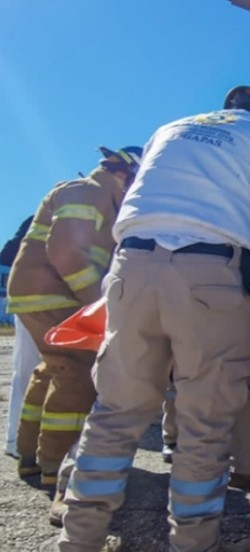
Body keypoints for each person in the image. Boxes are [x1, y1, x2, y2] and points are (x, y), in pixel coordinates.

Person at [51, 86, 250, 552]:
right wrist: (246, 289)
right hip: (211, 271)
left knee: (114, 415)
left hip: (130, 268)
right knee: (205, 425)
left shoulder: (171, 128)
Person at [6, 149, 142, 483]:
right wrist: (99, 303)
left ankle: (30, 456)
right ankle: (55, 465)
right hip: (51, 293)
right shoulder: (86, 192)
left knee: (51, 368)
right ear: (125, 174)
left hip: (43, 293)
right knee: (76, 372)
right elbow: (67, 252)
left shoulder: (99, 198)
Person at [1, 216, 38, 458]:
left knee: (26, 371)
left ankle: (18, 440)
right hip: (38, 297)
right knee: (29, 370)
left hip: (29, 296)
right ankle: (17, 441)